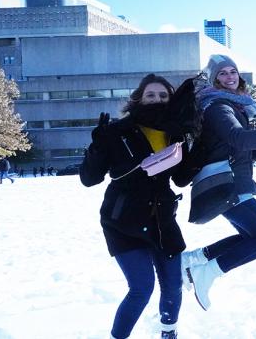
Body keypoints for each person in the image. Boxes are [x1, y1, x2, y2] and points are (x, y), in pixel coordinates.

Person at [80, 74, 195, 339]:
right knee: (142, 288)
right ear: (139, 98)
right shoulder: (119, 131)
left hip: (161, 219)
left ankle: (169, 331)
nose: (157, 100)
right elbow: (89, 179)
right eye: (151, 95)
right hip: (123, 220)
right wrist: (97, 146)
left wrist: (194, 147)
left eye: (163, 96)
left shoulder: (175, 132)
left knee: (173, 285)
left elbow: (181, 178)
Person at [182, 54, 256, 311]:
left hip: (230, 180)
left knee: (251, 236)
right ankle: (206, 273)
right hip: (227, 183)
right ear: (213, 79)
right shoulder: (218, 107)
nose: (230, 77)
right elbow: (238, 138)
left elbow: (242, 151)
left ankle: (191, 260)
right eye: (222, 73)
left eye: (233, 71)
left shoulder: (232, 105)